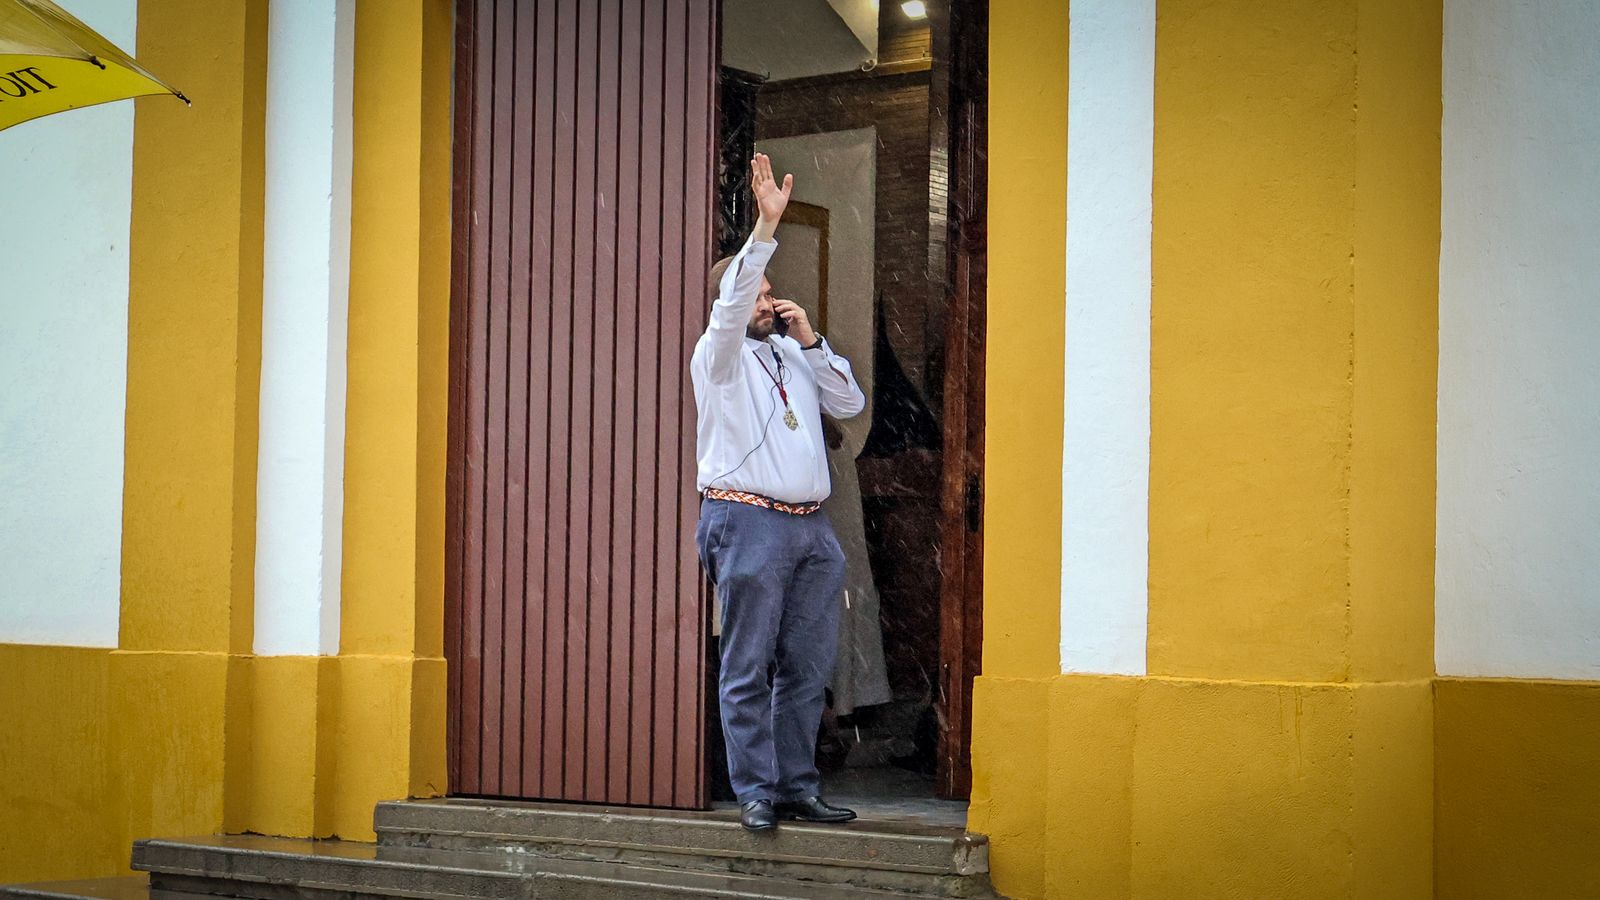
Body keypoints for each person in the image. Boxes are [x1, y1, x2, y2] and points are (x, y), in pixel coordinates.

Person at [692, 153, 867, 832]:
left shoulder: (793, 350)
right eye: (755, 294)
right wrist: (765, 227)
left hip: (811, 529)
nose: (766, 301)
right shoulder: (717, 355)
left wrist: (812, 340)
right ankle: (755, 793)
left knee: (807, 666)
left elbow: (848, 403)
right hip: (747, 520)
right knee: (749, 663)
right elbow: (734, 301)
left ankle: (796, 786)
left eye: (770, 292)